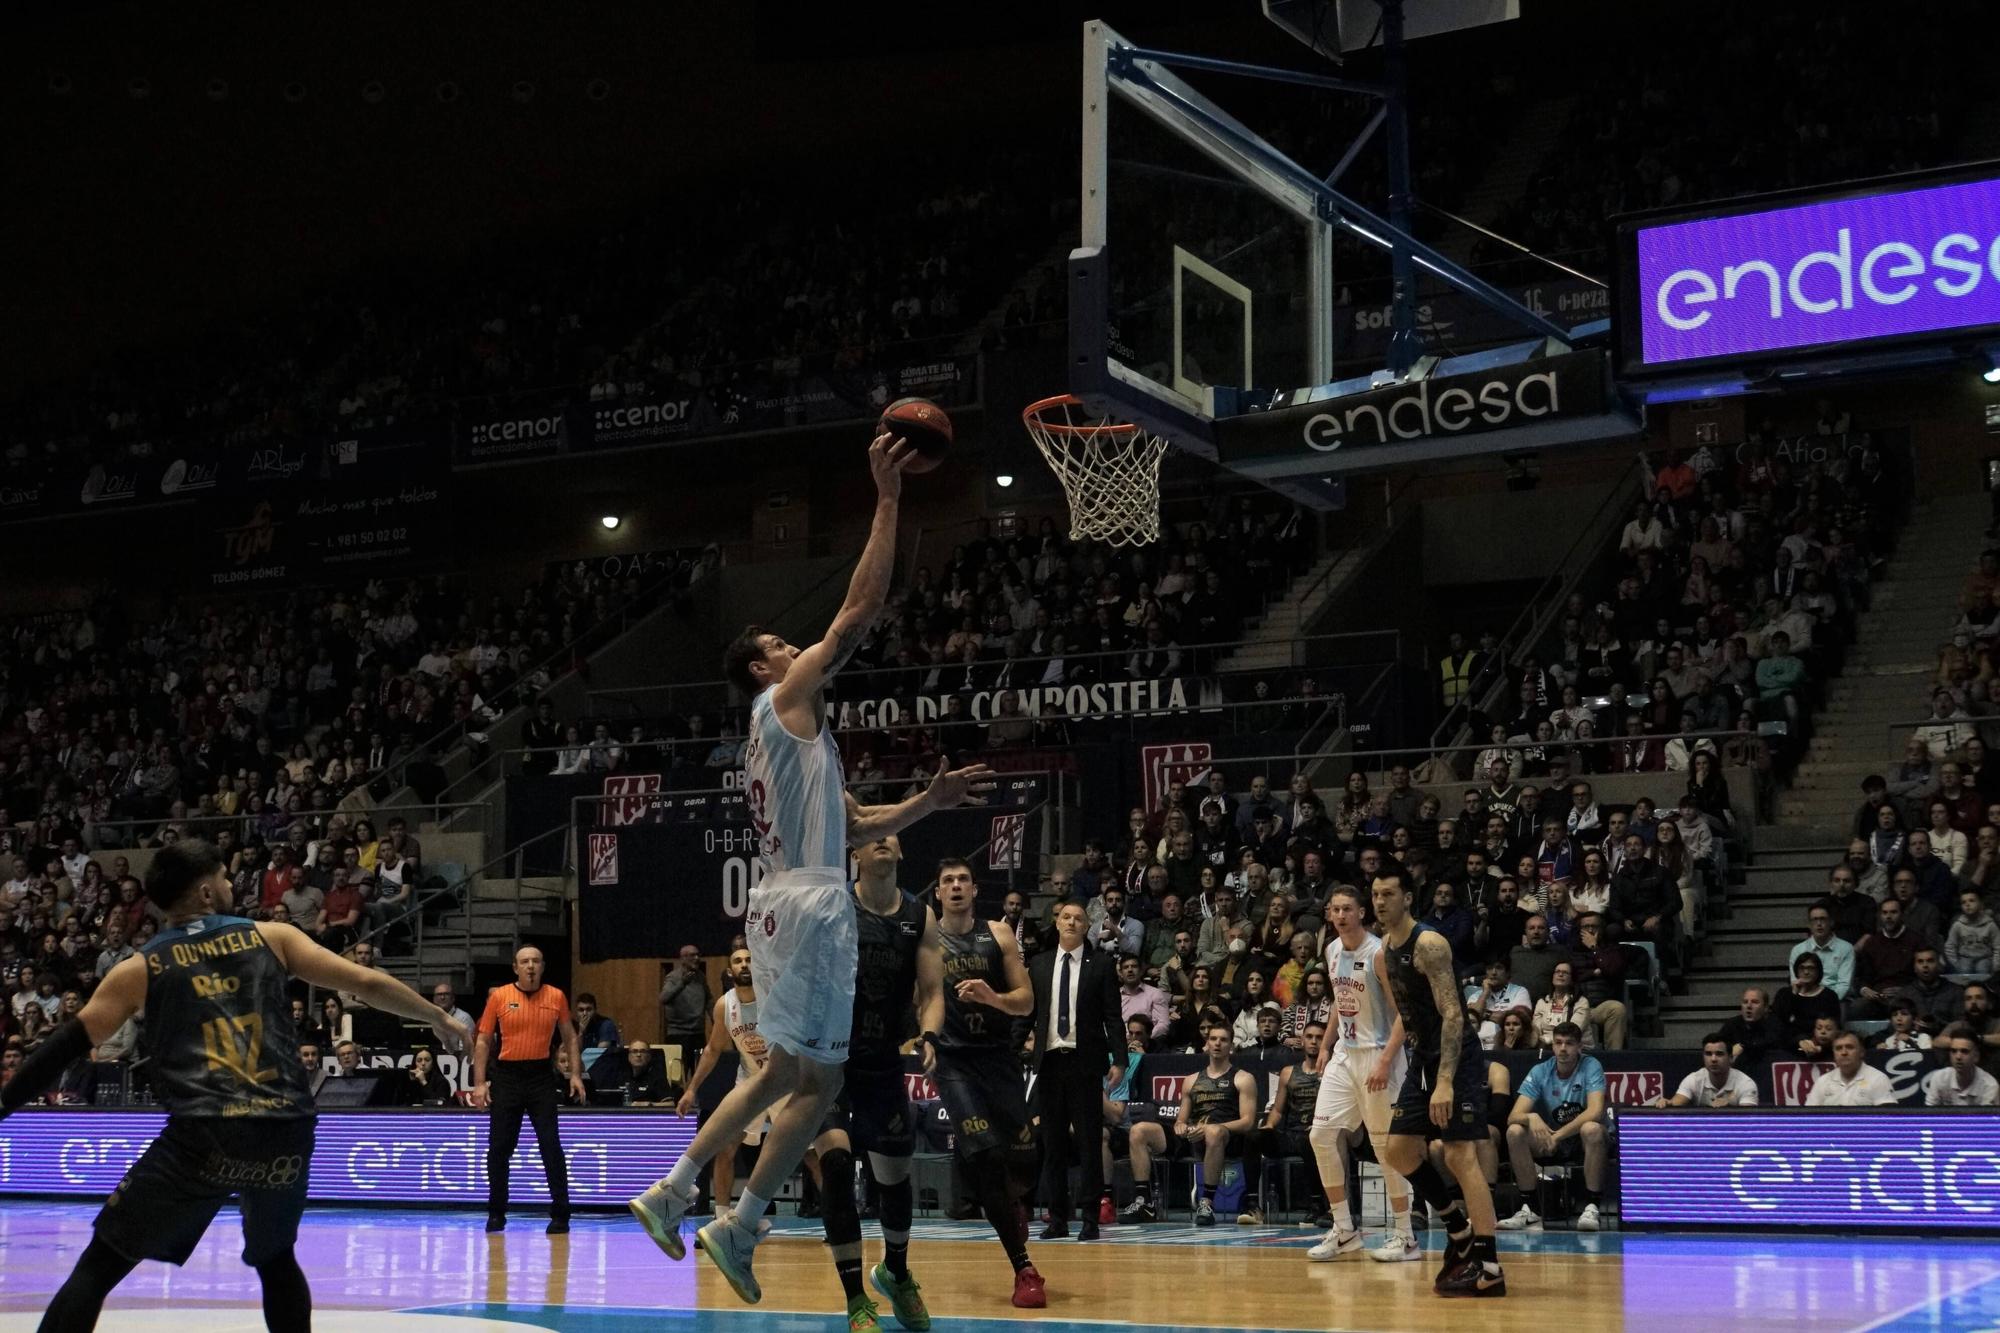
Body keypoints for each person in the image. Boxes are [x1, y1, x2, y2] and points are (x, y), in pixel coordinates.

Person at [628, 429, 992, 1308]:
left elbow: (856, 821)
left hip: (782, 901)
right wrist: (891, 500)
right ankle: (741, 1222)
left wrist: (925, 804)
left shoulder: (789, 742)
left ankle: (673, 1191)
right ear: (763, 664)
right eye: (784, 643)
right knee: (817, 1080)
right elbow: (859, 613)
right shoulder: (783, 699)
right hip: (816, 910)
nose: (799, 649)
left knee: (779, 1073)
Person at [0, 840, 470, 1331]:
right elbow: (365, 982)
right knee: (275, 1258)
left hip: (204, 1134)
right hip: (284, 1127)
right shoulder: (273, 937)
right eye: (225, 878)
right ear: (206, 893)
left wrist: (5, 1102)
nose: (230, 885)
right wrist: (438, 1016)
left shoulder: (140, 967)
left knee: (100, 1265)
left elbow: (66, 1045)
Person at [810, 835, 940, 1333]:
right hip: (829, 1061)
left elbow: (931, 991)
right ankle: (855, 1300)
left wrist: (929, 1034)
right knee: (837, 1164)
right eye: (869, 837)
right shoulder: (833, 904)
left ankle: (897, 1272)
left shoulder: (918, 915)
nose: (883, 840)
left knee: (894, 1177)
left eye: (891, 835)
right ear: (855, 856)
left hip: (883, 1061)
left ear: (902, 853)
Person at [1369, 865, 1506, 1299]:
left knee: (1460, 1154)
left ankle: (1489, 1267)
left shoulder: (1428, 943)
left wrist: (1444, 1080)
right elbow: (1409, 1015)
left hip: (1455, 1057)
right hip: (1423, 1058)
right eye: (1375, 894)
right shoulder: (1383, 952)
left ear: (1407, 898)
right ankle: (1458, 1231)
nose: (1380, 901)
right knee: (1398, 1150)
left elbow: (1452, 1013)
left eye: (1388, 893)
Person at [928, 856, 1045, 1308]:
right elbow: (916, 997)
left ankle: (1015, 1205)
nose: (955, 886)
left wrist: (991, 996)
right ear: (938, 893)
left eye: (962, 879)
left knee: (1022, 1157)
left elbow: (1026, 1001)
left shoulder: (998, 934)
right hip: (953, 1061)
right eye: (947, 881)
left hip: (998, 1060)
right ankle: (1024, 1268)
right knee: (986, 1155)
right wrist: (925, 1037)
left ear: (975, 890)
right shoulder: (926, 940)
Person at [1305, 885, 1418, 1263]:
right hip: (1344, 1054)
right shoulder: (1332, 949)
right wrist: (1325, 1045)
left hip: (1379, 1054)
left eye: (1347, 909)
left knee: (1387, 1149)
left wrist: (1387, 1059)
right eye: (1334, 909)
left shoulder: (1379, 952)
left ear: (1361, 912)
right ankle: (1344, 1230)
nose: (1340, 916)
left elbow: (1404, 1011)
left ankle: (1406, 1235)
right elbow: (1340, 1000)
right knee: (1321, 1135)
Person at [1024, 900, 1126, 1241]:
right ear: (1057, 923)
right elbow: (1028, 1012)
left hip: (1085, 1061)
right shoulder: (1038, 964)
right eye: (1065, 917)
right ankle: (1057, 1217)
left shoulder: (1100, 965)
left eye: (1078, 918)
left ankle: (1090, 1219)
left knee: (1088, 1143)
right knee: (1051, 1144)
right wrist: (1012, 1050)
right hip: (1050, 1062)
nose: (1071, 922)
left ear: (1087, 927)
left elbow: (1113, 1016)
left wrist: (1120, 1060)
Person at [469, 945, 587, 1234]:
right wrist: (480, 1083)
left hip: (540, 1077)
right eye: (525, 962)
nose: (531, 966)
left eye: (536, 961)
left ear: (543, 966)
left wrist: (575, 1074)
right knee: (498, 1149)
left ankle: (561, 1214)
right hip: (507, 1077)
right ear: (515, 968)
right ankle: (496, 1212)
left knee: (550, 1146)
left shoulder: (556, 996)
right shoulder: (499, 996)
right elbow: (483, 1042)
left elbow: (570, 1038)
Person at [672, 948, 767, 1217]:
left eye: (749, 959)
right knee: (726, 1145)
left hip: (781, 1078)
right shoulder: (725, 1005)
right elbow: (713, 1050)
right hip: (750, 1080)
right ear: (730, 971)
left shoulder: (771, 995)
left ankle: (836, 1221)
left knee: (810, 1153)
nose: (745, 964)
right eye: (738, 961)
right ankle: (721, 1219)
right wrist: (691, 1089)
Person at [1499, 1022, 1608, 1231]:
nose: (1563, 1048)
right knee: (1515, 1131)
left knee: (1591, 1129)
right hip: (1554, 1138)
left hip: (1582, 1139)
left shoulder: (1591, 1065)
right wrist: (1531, 1117)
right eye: (1558, 1043)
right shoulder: (1541, 1070)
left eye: (1569, 1043)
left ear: (1579, 1047)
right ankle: (1530, 1208)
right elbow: (1513, 1116)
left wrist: (1557, 1136)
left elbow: (1595, 1111)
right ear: (1553, 1046)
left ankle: (1591, 1206)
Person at [1176, 1024, 1259, 1227]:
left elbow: (1248, 1122)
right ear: (1206, 1043)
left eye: (1223, 1040)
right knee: (1140, 1130)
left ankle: (1206, 1202)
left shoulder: (1243, 1078)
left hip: (1228, 1139)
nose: (1217, 1043)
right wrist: (1181, 1126)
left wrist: (1212, 1128)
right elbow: (1181, 1118)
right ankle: (1143, 1201)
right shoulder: (1191, 1080)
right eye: (1213, 1039)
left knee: (1213, 1131)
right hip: (1195, 1137)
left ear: (1230, 1046)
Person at [1256, 1020, 1332, 1228]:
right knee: (1255, 1137)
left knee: (1311, 1139)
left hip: (1319, 1134)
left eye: (1319, 1037)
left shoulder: (1333, 1070)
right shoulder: (1289, 1072)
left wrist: (1321, 1125)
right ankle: (1252, 1204)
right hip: (1291, 1134)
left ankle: (1317, 1204)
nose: (1314, 1042)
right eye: (1309, 1037)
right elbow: (1278, 1110)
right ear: (1302, 1040)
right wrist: (1269, 1126)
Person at [1656, 1033, 1759, 1107]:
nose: (1713, 1059)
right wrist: (1668, 1103)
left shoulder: (1746, 1083)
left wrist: (1730, 1108)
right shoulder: (1694, 1079)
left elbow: (1749, 1122)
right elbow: (1677, 1102)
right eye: (1708, 1054)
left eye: (1719, 1054)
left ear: (1731, 1058)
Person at [1803, 1031, 1896, 1106]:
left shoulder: (1878, 1079)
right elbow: (1808, 1119)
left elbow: (1888, 1121)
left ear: (1862, 1052)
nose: (1844, 1052)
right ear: (1834, 1054)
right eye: (1838, 1048)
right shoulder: (1822, 1082)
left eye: (1850, 1047)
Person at [660, 944, 712, 1067]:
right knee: (678, 1075)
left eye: (698, 955)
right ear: (683, 958)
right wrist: (682, 983)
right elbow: (663, 998)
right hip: (678, 1035)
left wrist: (715, 1018)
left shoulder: (700, 977)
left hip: (698, 1033)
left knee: (700, 1072)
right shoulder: (673, 977)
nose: (697, 958)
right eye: (692, 955)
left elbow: (708, 998)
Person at [1924, 1026, 2000, 1106]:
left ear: (1976, 1056)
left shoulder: (1990, 1086)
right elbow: (1928, 1115)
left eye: (1964, 1051)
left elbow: (1987, 1118)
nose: (1958, 1057)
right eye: (1953, 1051)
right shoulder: (1939, 1078)